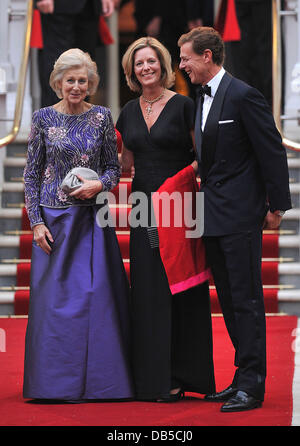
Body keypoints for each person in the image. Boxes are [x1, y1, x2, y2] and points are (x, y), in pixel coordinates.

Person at [178, 26, 292, 412]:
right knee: (228, 299)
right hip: (212, 216)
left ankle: (252, 385)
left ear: (207, 57)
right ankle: (242, 375)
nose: (182, 66)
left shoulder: (244, 95)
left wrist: (276, 206)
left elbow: (271, 151)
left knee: (246, 300)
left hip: (241, 215)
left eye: (186, 58)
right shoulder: (199, 98)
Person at [23, 48, 133, 402]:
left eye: (82, 81)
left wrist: (99, 185)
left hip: (92, 219)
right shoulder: (41, 118)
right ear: (58, 83)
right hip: (53, 222)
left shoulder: (102, 117)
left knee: (97, 298)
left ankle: (105, 383)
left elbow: (113, 169)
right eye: (69, 80)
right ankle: (52, 384)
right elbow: (31, 176)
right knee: (54, 303)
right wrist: (36, 223)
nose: (76, 86)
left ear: (90, 85)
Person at [116, 36, 216, 402]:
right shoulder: (126, 113)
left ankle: (186, 375)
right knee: (149, 289)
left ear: (163, 66)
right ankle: (154, 380)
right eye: (139, 63)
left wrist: (178, 183)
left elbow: (202, 156)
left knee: (183, 287)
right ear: (131, 71)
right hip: (143, 207)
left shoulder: (185, 105)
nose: (146, 68)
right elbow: (124, 165)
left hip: (179, 205)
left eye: (152, 62)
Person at [35, 0, 115, 107]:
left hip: (89, 7)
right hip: (57, 7)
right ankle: (53, 120)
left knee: (86, 66)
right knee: (56, 66)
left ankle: (80, 119)